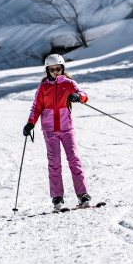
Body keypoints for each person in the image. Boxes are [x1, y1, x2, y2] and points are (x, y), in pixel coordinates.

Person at [23, 54, 93, 210]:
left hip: (66, 128)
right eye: (52, 69)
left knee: (74, 160)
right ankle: (57, 198)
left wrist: (77, 96)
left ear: (63, 68)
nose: (55, 72)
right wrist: (30, 123)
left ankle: (83, 194)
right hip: (49, 130)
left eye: (58, 69)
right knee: (54, 163)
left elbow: (84, 96)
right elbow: (37, 107)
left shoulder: (69, 84)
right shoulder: (43, 87)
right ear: (48, 70)